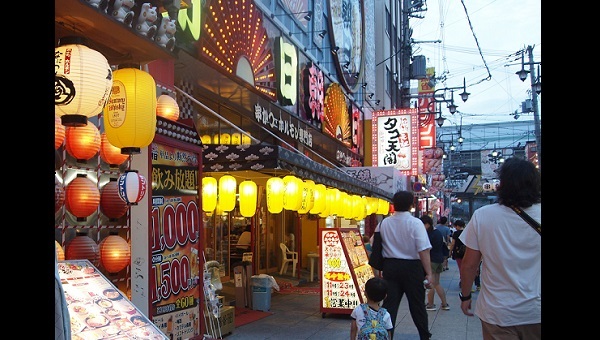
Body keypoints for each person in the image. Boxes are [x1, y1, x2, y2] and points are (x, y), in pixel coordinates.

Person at [459, 157, 541, 339]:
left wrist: (465, 296)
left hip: (497, 312)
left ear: (502, 184)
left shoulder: (483, 216)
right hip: (537, 311)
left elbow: (469, 265)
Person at [376, 190, 433, 340]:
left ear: (393, 204)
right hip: (412, 268)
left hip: (390, 267)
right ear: (411, 205)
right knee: (417, 305)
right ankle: (424, 336)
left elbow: (375, 244)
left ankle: (386, 336)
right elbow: (423, 250)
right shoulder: (416, 223)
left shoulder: (384, 223)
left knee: (390, 305)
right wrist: (429, 272)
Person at [420, 215, 449, 311]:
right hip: (439, 259)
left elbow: (426, 249)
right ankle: (444, 304)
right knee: (436, 283)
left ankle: (431, 304)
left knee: (431, 283)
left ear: (427, 224)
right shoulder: (437, 233)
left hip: (431, 260)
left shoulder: (429, 234)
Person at [448, 219, 466, 287]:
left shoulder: (456, 233)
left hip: (458, 252)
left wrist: (450, 251)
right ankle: (464, 281)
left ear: (458, 226)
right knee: (465, 267)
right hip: (466, 252)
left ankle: (463, 281)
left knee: (460, 267)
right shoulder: (466, 232)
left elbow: (453, 243)